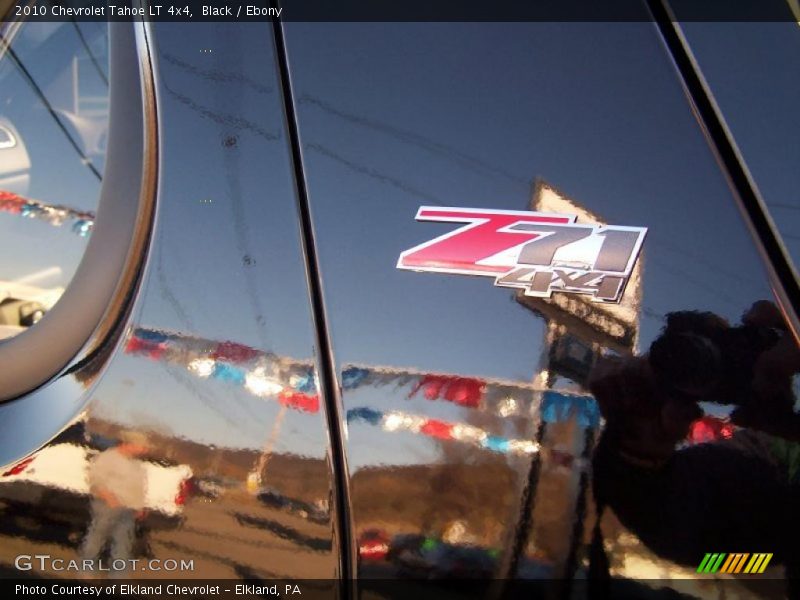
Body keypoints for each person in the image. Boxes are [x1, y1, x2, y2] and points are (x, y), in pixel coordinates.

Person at [80, 431, 149, 577]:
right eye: (140, 446)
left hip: (128, 509)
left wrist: (139, 506)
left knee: (123, 543)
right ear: (128, 444)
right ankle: (87, 571)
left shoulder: (136, 464)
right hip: (108, 506)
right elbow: (95, 480)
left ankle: (119, 577)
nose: (144, 449)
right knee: (97, 539)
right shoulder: (108, 458)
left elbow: (138, 486)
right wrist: (109, 498)